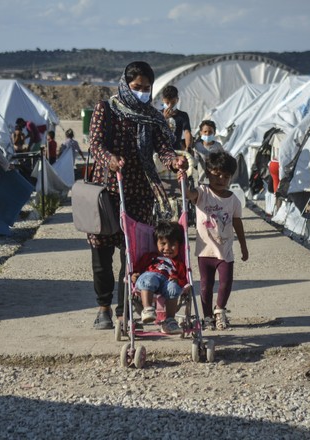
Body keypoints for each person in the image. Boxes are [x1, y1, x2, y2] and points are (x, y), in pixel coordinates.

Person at [87, 60, 188, 330]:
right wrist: (109, 158)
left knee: (132, 254)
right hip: (108, 190)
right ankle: (103, 306)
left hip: (140, 192)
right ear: (125, 84)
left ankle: (125, 310)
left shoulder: (154, 117)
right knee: (102, 252)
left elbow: (164, 149)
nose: (142, 92)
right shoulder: (106, 108)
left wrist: (174, 161)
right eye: (136, 87)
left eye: (146, 88)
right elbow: (95, 143)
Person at [179, 151, 248, 330]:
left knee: (225, 283)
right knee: (205, 286)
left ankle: (220, 311)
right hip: (205, 251)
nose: (221, 179)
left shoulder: (233, 200)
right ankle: (207, 317)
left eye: (226, 176)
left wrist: (243, 245)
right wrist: (184, 177)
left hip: (225, 251)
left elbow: (237, 223)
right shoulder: (202, 192)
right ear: (208, 172)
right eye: (217, 174)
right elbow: (188, 194)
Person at [131, 221, 190, 334]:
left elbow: (183, 278)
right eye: (163, 243)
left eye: (172, 244)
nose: (167, 248)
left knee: (174, 287)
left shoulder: (178, 263)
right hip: (150, 278)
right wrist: (135, 274)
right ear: (156, 244)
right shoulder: (150, 257)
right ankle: (147, 309)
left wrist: (177, 280)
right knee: (149, 278)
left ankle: (170, 321)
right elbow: (137, 269)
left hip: (167, 282)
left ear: (179, 245)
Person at [161, 85, 192, 152]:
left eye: (173, 103)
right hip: (161, 150)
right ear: (162, 100)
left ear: (177, 100)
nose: (170, 105)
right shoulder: (157, 114)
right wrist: (164, 118)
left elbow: (187, 132)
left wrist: (188, 147)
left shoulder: (183, 115)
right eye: (167, 103)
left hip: (176, 150)